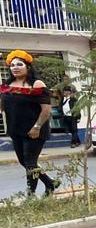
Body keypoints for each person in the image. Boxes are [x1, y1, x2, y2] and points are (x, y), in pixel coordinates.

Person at [2, 50, 59, 196]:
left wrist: (37, 127)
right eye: (12, 65)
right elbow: (3, 106)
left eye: (19, 64)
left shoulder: (36, 84)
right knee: (24, 162)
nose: (15, 67)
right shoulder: (6, 86)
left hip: (34, 130)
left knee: (30, 163)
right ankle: (50, 183)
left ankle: (30, 193)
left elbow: (46, 109)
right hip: (16, 129)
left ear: (28, 66)